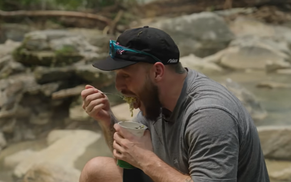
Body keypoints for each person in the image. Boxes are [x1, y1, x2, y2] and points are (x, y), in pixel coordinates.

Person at [80, 26, 269, 182]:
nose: (118, 86)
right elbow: (128, 158)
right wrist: (107, 121)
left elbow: (141, 158)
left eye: (126, 76)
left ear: (157, 72)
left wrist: (145, 159)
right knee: (96, 171)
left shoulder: (209, 115)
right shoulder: (155, 97)